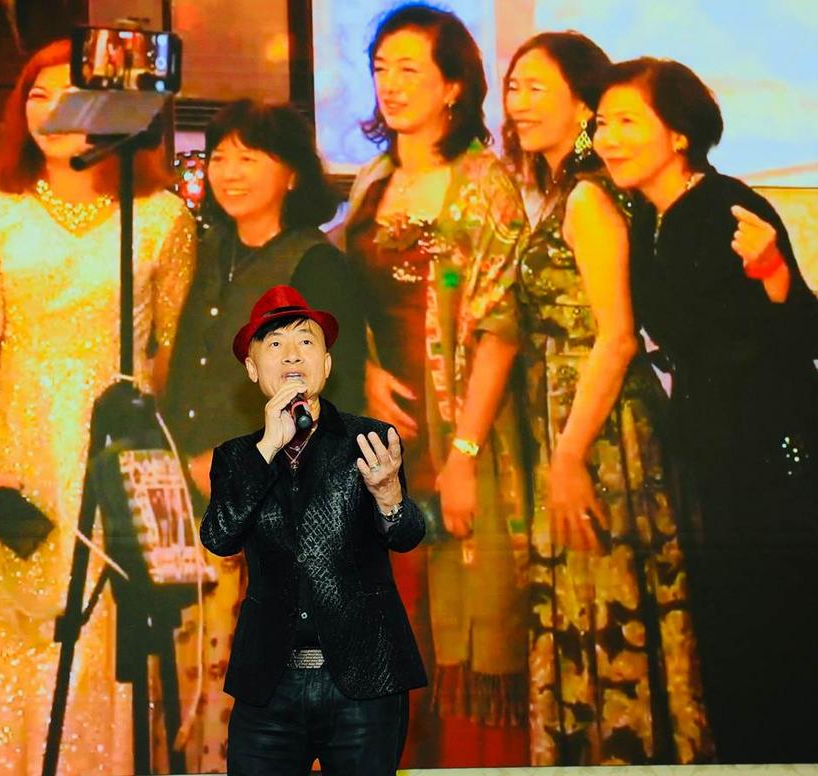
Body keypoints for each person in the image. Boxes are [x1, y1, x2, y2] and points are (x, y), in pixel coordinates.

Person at [0, 40, 195, 774]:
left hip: (117, 448)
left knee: (105, 634)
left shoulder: (162, 217)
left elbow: (171, 352)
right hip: (11, 442)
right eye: (36, 95)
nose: (51, 111)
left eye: (70, 94)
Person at [595, 57, 818, 763]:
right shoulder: (641, 214)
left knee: (774, 637)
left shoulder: (730, 207)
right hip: (702, 455)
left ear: (680, 134)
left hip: (770, 460)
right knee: (725, 640)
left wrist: (772, 272)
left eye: (627, 121)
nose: (608, 138)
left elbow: (804, 333)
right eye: (601, 123)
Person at [503, 33, 711, 765]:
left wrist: (568, 457)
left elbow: (616, 336)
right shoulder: (565, 189)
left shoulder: (588, 196)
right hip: (569, 419)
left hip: (600, 432)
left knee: (607, 602)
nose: (519, 103)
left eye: (537, 88)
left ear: (582, 105)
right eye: (513, 87)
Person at [341, 4, 529, 766]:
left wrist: (464, 453)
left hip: (460, 430)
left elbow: (500, 329)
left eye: (409, 69)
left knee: (461, 630)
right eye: (380, 69)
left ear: (453, 85)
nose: (390, 84)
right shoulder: (374, 179)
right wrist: (362, 371)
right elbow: (345, 300)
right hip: (380, 440)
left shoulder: (485, 183)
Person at [163, 99, 366, 771]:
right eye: (219, 156)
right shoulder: (202, 249)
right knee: (189, 688)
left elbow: (333, 401)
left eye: (250, 157)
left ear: (291, 173)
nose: (229, 171)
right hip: (189, 498)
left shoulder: (315, 263)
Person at [200, 285, 426, 776]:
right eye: (275, 344)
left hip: (364, 679)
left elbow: (407, 534)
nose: (292, 354)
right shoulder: (237, 458)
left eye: (306, 341)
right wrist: (267, 449)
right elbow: (219, 537)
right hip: (269, 684)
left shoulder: (370, 440)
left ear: (325, 365)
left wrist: (389, 495)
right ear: (252, 369)